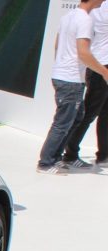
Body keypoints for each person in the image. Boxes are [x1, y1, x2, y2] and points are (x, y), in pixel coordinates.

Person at [38, 0, 108, 174]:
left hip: (76, 73)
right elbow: (83, 52)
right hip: (91, 69)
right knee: (72, 119)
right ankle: (51, 160)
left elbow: (57, 45)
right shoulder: (85, 18)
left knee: (79, 116)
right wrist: (103, 72)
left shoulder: (71, 16)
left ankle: (63, 157)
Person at [62, 3, 108, 170]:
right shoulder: (101, 9)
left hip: (100, 65)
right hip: (100, 66)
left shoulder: (97, 9)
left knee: (104, 113)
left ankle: (104, 155)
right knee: (89, 112)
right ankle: (70, 153)